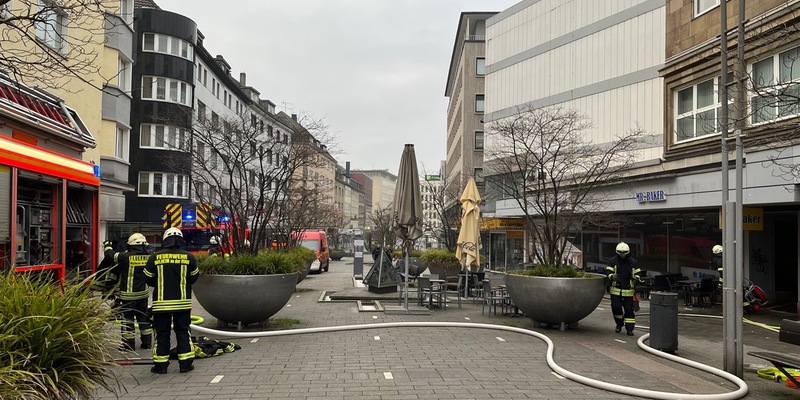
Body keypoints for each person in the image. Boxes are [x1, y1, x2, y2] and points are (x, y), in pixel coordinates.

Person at [143, 227, 199, 374]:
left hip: (161, 305)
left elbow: (147, 278)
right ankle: (185, 365)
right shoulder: (189, 257)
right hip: (183, 303)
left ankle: (160, 366)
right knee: (183, 332)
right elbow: (194, 277)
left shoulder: (155, 257)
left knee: (162, 333)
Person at [112, 233, 153, 351]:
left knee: (127, 319)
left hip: (128, 295)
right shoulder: (149, 257)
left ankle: (128, 344)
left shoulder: (125, 256)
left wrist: (108, 246)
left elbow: (110, 255)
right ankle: (147, 343)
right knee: (143, 318)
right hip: (143, 294)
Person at [605, 242, 643, 336]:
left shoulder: (633, 262)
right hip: (615, 289)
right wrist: (612, 276)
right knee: (616, 307)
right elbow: (607, 271)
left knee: (629, 310)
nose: (622, 255)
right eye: (620, 253)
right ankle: (619, 324)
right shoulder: (613, 261)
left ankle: (629, 329)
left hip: (628, 291)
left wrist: (636, 278)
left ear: (628, 252)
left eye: (624, 253)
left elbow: (638, 273)